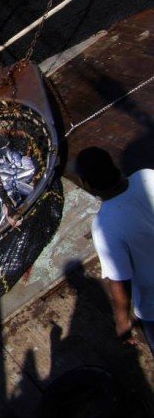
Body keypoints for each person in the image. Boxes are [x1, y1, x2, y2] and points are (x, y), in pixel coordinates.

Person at [74, 147, 154, 355]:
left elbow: (119, 282)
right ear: (114, 165)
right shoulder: (147, 176)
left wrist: (122, 323)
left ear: (85, 184)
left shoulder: (104, 225)